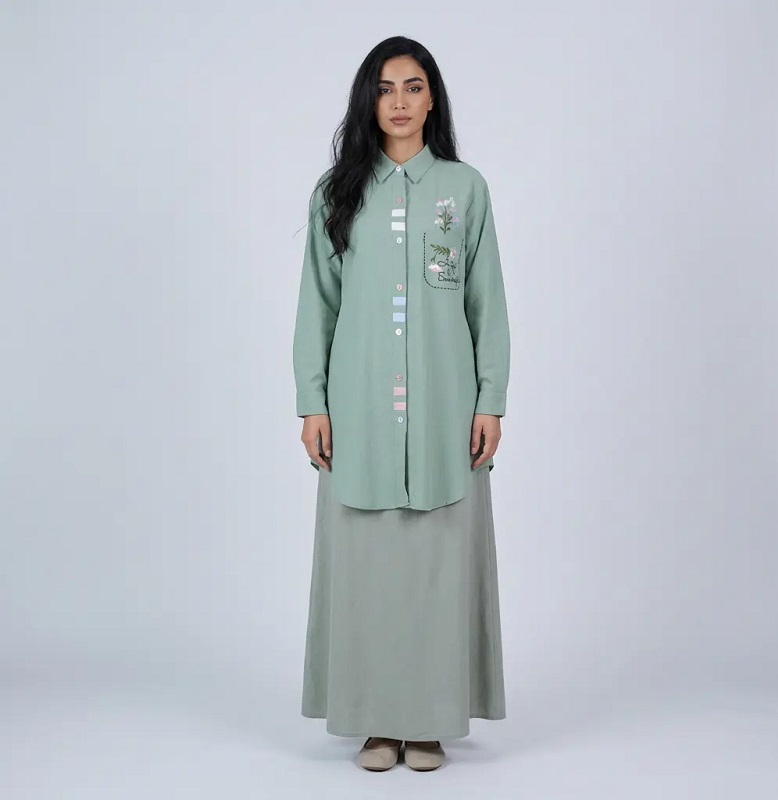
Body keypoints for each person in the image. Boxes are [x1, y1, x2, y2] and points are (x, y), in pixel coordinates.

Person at [292, 35, 511, 772]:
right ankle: (375, 723)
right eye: (385, 88)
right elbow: (317, 306)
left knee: (437, 571)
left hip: (448, 412)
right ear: (369, 100)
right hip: (358, 412)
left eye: (413, 87)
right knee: (368, 571)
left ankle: (429, 723)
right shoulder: (337, 193)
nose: (399, 102)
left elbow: (487, 303)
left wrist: (490, 400)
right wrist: (313, 403)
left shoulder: (465, 190)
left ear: (432, 99)